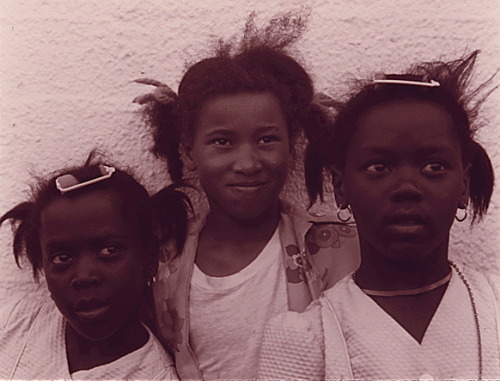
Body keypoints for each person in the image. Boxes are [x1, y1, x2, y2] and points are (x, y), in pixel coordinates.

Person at [133, 12, 360, 379]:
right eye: (222, 142)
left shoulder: (338, 247)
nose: (248, 163)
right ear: (189, 152)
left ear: (292, 145)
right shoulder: (162, 262)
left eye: (267, 139)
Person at [257, 50, 499, 380]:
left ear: (464, 186)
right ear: (341, 187)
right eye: (378, 167)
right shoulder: (307, 340)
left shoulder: (494, 310)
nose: (407, 187)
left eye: (434, 166)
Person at [0, 155, 190, 379]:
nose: (84, 276)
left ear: (149, 260)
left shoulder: (155, 375)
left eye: (109, 251)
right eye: (62, 258)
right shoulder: (16, 322)